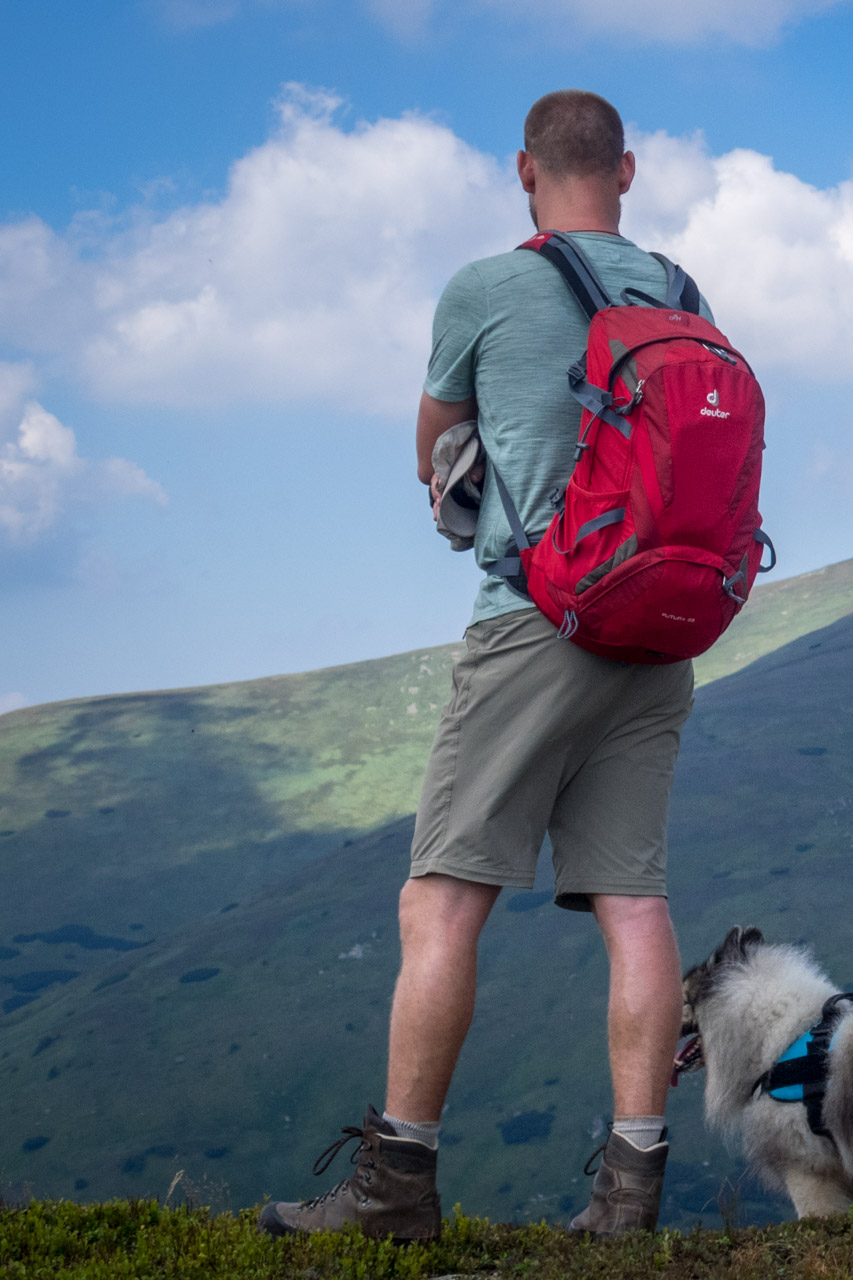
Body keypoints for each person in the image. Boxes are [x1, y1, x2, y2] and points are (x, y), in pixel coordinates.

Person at [258, 89, 706, 1242]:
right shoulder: (680, 293)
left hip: (537, 618)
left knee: (441, 899)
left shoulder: (485, 287)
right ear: (629, 169)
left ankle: (395, 1191)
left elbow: (430, 446)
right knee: (634, 901)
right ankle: (628, 1199)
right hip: (661, 631)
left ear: (523, 172)